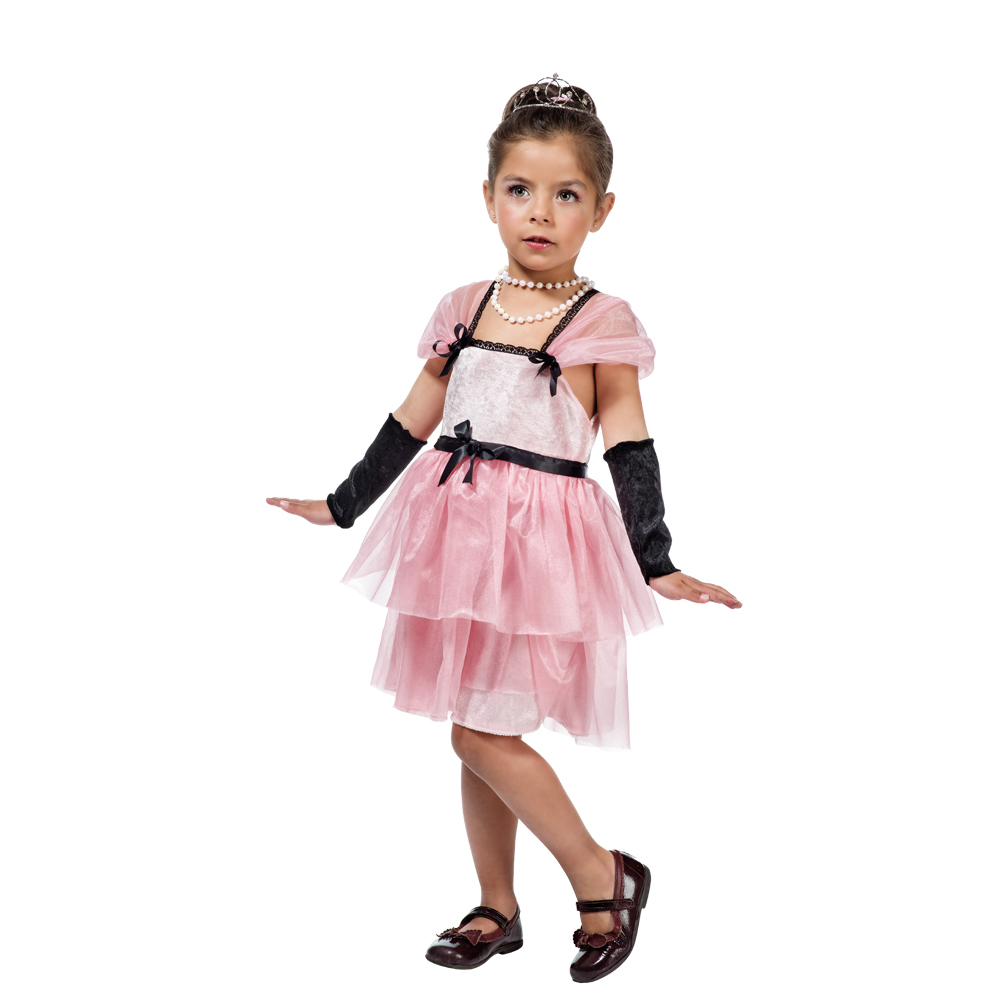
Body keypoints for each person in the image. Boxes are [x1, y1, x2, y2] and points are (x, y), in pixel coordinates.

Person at [267, 73, 741, 984]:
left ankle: (602, 875)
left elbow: (629, 442)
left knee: (479, 733)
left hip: (540, 550)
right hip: (456, 538)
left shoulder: (602, 321)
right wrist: (342, 503)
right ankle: (497, 903)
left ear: (602, 210)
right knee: (472, 721)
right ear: (488, 196)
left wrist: (657, 559)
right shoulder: (464, 306)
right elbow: (412, 419)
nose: (540, 212)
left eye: (567, 195)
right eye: (520, 190)